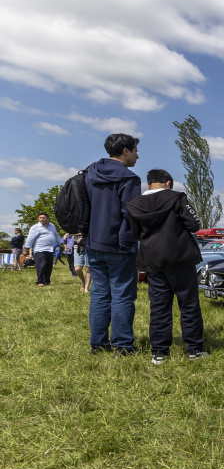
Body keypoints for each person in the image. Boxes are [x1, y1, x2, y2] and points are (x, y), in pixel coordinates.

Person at [126, 169, 206, 364]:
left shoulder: (134, 204)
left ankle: (159, 352)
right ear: (168, 183)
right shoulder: (177, 198)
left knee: (159, 306)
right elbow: (194, 224)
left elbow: (135, 232)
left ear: (148, 184)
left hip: (152, 259)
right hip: (181, 258)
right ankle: (194, 349)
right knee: (188, 304)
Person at [85, 133, 142, 356]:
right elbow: (131, 213)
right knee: (122, 295)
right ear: (125, 151)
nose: (137, 155)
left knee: (99, 294)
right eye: (135, 150)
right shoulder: (129, 178)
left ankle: (98, 344)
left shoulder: (90, 172)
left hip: (94, 242)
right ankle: (123, 346)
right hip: (120, 245)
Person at [23, 212, 62, 286]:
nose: (41, 219)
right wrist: (26, 248)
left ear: (47, 218)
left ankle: (47, 281)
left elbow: (56, 235)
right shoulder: (35, 227)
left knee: (48, 266)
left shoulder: (52, 226)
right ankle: (40, 281)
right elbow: (30, 238)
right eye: (40, 218)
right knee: (42, 265)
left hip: (50, 249)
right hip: (39, 249)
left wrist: (61, 242)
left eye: (43, 218)